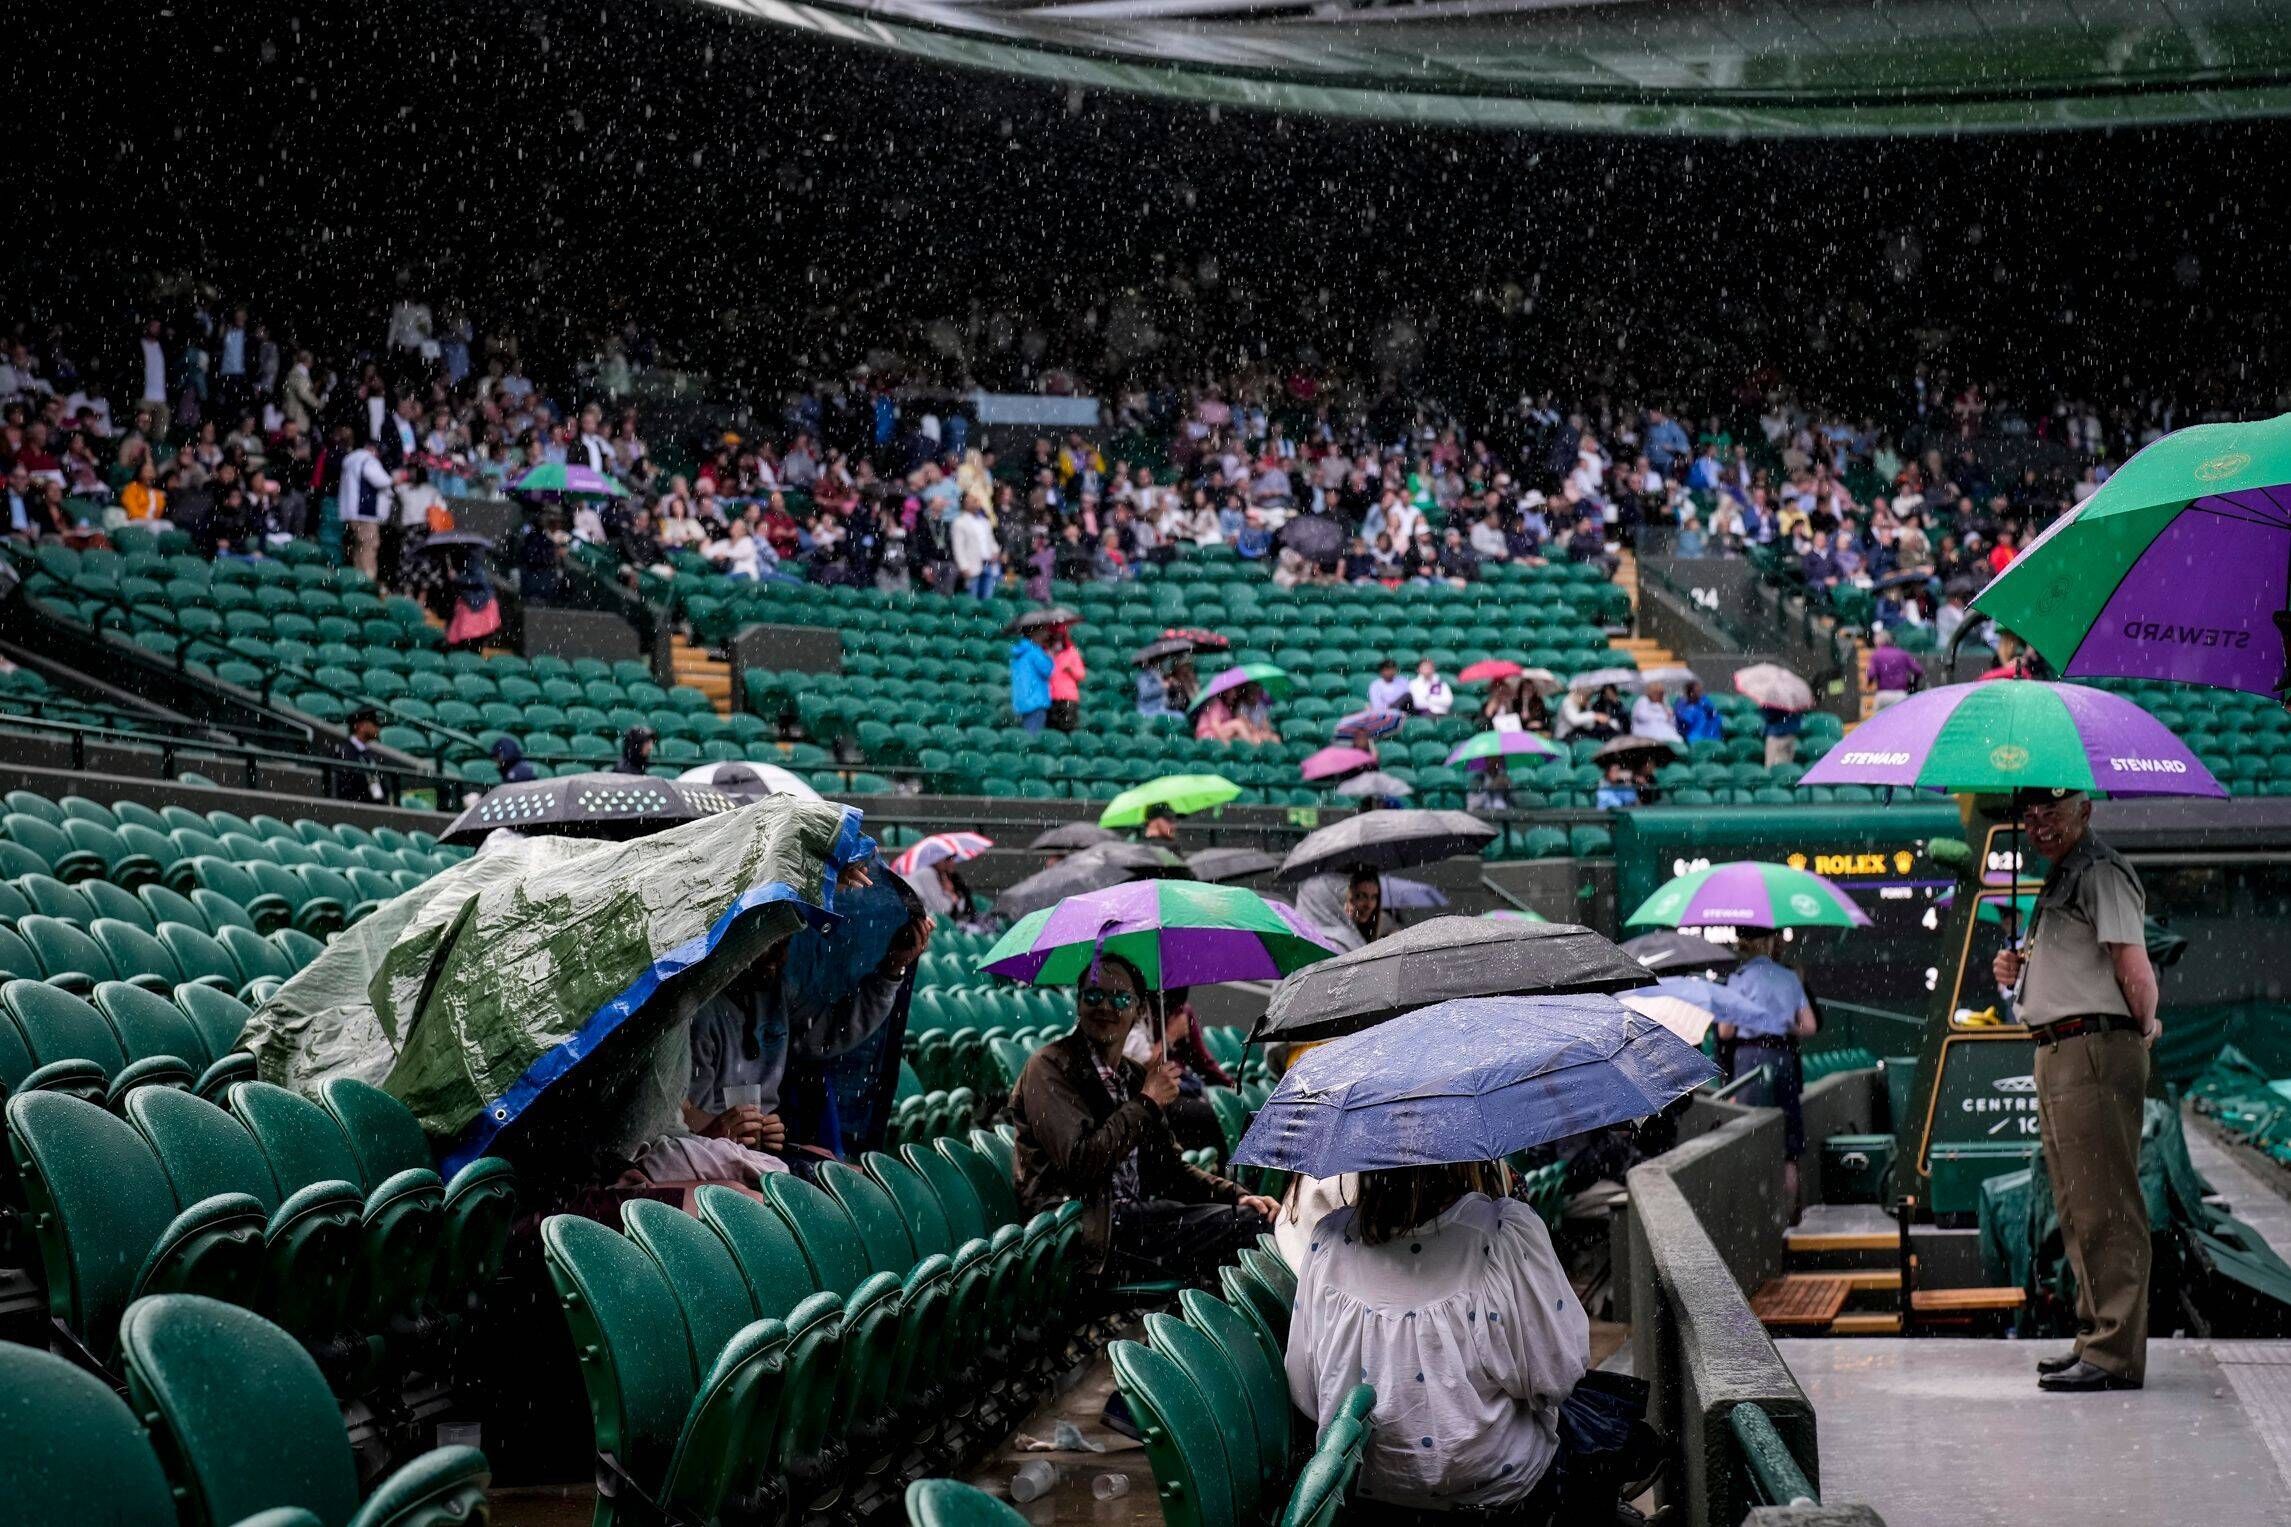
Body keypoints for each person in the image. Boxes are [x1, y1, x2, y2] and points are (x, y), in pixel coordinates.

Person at [1286, 1163, 1588, 1517]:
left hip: (1369, 1500)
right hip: (1496, 1495)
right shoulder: (1499, 1235)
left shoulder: (1328, 1243)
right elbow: (1558, 1375)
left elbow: (1307, 1393)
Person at [1991, 788, 2157, 1393]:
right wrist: (2015, 973)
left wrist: (2142, 1029)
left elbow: (2133, 967)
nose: (2039, 827)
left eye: (2052, 814)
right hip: (2060, 1049)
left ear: (2085, 809)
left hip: (2094, 1048)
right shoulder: (2063, 876)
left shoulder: (2101, 870)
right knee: (2077, 1203)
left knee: (2106, 1203)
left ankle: (2114, 1352)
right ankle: (2095, 1337)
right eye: (2030, 818)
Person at [1008, 953, 1279, 1282]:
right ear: (1078, 1004)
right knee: (1248, 1231)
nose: (1106, 1006)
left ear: (1138, 1009)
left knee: (1253, 1217)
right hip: (1087, 1235)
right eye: (1093, 995)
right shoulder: (1049, 1068)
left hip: (1132, 1222)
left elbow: (1170, 1170)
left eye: (1121, 997)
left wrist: (1234, 1194)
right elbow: (1081, 1161)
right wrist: (1147, 1102)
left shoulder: (1133, 1075)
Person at [1714, 928, 1818, 1211]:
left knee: (1750, 1134)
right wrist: (1783, 1024)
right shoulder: (1789, 978)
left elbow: (1724, 1032)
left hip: (1749, 1060)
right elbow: (1809, 1026)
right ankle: (1789, 1218)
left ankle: (1755, 1214)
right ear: (1771, 943)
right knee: (1789, 1147)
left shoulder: (1737, 981)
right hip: (1783, 1056)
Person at [681, 939, 794, 1178]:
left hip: (746, 1154)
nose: (781, 956)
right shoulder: (699, 1012)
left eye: (786, 945)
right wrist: (718, 1130)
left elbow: (829, 1033)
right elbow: (682, 1115)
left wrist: (763, 1132)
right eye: (771, 943)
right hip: (704, 1154)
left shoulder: (777, 991)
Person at [332, 705, 391, 804]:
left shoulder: (371, 755)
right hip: (358, 810)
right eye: (374, 722)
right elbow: (345, 790)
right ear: (360, 726)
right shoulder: (344, 752)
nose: (378, 727)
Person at [1864, 629, 1925, 709]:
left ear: (1878, 641)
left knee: (1879, 720)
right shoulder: (1902, 653)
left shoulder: (1876, 655)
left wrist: (1869, 684)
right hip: (1900, 695)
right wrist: (1913, 684)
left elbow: (1871, 674)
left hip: (1883, 695)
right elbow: (1918, 670)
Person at [1009, 627, 1053, 733]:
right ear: (1034, 635)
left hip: (1022, 701)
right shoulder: (1035, 652)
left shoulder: (1019, 653)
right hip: (1036, 700)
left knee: (1027, 733)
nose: (1045, 636)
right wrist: (1049, 657)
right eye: (1042, 633)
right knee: (1033, 736)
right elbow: (1047, 670)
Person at [1047, 624, 1086, 732]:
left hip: (1068, 697)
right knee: (1052, 728)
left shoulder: (1071, 653)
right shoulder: (1047, 653)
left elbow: (1081, 674)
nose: (1057, 640)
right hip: (1051, 697)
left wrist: (1071, 670)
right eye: (1055, 637)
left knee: (1068, 727)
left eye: (1059, 637)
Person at [1630, 680, 1684, 746]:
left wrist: (1670, 715)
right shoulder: (1643, 700)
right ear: (1651, 693)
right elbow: (1642, 716)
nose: (1661, 695)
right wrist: (1661, 716)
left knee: (1677, 740)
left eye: (1662, 693)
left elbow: (1673, 723)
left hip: (1667, 734)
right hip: (1647, 733)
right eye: (1659, 693)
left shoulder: (1664, 703)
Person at [1672, 679, 1724, 744]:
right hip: (1693, 735)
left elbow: (1714, 713)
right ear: (1690, 692)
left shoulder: (1704, 700)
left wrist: (1705, 708)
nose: (1700, 693)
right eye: (1697, 691)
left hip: (1709, 732)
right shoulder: (1681, 703)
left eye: (1700, 690)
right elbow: (1682, 720)